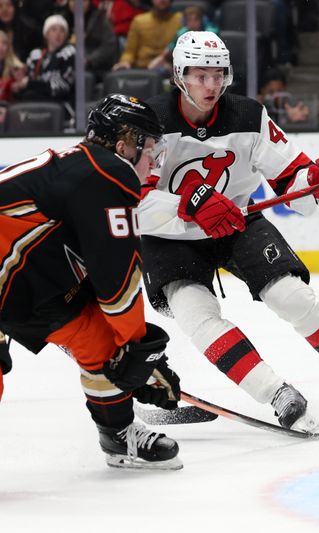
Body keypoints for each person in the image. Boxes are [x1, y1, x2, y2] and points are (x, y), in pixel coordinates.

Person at [139, 31, 319, 433]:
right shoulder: (148, 121)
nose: (211, 86)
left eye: (218, 75)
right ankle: (277, 394)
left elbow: (293, 176)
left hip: (237, 221)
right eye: (201, 76)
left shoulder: (248, 116)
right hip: (172, 235)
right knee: (196, 314)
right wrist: (191, 203)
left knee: (291, 295)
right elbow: (134, 200)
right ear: (180, 75)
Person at [0, 94, 183, 470]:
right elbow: (118, 285)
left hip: (22, 279)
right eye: (151, 150)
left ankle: (118, 435)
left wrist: (132, 353)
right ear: (124, 147)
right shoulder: (108, 175)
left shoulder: (86, 168)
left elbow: (97, 280)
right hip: (13, 276)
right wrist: (138, 350)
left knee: (100, 340)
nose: (154, 164)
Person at [14, 14, 75, 106]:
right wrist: (19, 80)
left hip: (60, 104)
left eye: (62, 30)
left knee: (29, 96)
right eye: (53, 29)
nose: (58, 34)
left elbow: (61, 88)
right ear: (46, 34)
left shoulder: (69, 53)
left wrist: (29, 83)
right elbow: (26, 79)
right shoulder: (36, 55)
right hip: (37, 99)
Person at [113, 0, 182, 72]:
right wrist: (125, 62)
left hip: (170, 68)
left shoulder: (180, 20)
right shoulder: (139, 21)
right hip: (142, 69)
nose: (162, 0)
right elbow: (129, 52)